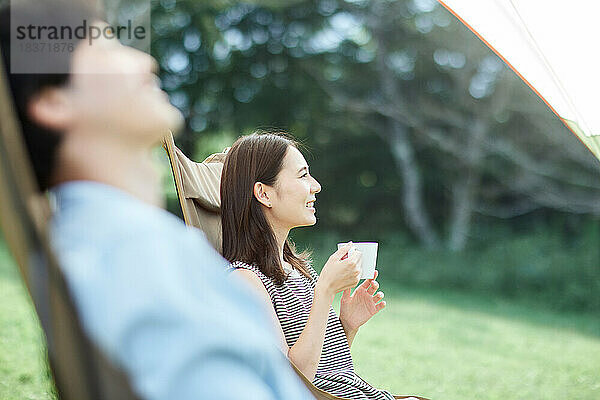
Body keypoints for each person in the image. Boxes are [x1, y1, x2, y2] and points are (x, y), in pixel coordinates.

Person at [0, 2, 314, 399]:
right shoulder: (129, 253)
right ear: (53, 100)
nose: (144, 61)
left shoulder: (109, 242)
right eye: (104, 45)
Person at [221, 131, 393, 399]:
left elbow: (326, 374)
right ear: (263, 194)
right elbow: (290, 386)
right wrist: (325, 292)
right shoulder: (245, 281)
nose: (316, 186)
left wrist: (348, 326)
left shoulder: (298, 269)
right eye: (303, 175)